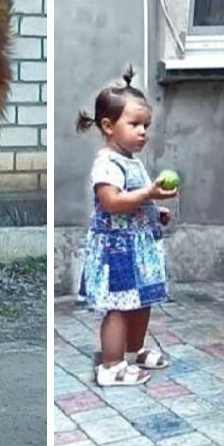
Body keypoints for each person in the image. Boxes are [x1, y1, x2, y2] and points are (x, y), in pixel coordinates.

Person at [75, 67, 176, 386]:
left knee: (141, 301)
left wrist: (153, 209)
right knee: (118, 308)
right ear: (108, 126)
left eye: (145, 125)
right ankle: (111, 366)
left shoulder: (131, 161)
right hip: (117, 252)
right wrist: (148, 193)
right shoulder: (107, 162)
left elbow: (131, 203)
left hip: (138, 248)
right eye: (134, 124)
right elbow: (112, 202)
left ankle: (134, 350)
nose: (143, 132)